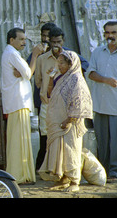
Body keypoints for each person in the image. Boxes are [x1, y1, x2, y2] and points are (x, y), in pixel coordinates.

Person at [87, 21, 117, 182]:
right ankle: (102, 172)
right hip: (100, 105)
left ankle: (116, 173)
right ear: (104, 34)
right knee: (102, 142)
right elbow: (91, 74)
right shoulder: (97, 52)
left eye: (114, 32)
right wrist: (106, 80)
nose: (110, 36)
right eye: (107, 33)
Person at [34, 26, 90, 169]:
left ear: (63, 41)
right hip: (47, 103)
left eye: (59, 41)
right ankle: (45, 168)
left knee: (64, 138)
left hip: (65, 106)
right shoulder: (41, 59)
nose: (56, 45)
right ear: (49, 42)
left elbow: (84, 64)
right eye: (53, 42)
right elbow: (38, 81)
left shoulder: (70, 58)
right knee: (45, 137)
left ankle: (63, 168)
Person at [38, 50, 93, 192]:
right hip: (57, 123)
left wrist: (69, 120)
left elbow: (80, 104)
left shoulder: (77, 80)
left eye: (62, 63)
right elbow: (50, 94)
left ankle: (75, 181)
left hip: (70, 124)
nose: (59, 65)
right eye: (58, 62)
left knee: (71, 151)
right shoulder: (60, 78)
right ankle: (64, 179)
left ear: (71, 64)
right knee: (60, 152)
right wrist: (51, 78)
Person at [0, 27, 45, 184]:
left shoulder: (11, 54)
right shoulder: (12, 53)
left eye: (25, 39)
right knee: (19, 141)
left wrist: (26, 69)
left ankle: (21, 174)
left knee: (19, 140)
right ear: (12, 40)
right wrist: (35, 55)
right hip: (18, 102)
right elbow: (28, 74)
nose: (24, 42)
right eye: (21, 39)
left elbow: (24, 72)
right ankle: (18, 175)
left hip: (17, 103)